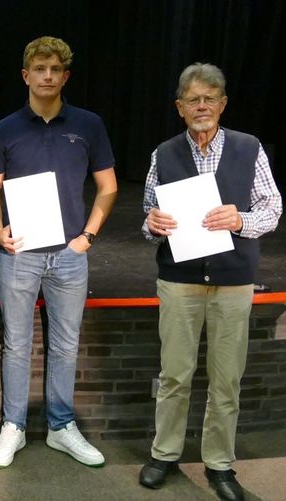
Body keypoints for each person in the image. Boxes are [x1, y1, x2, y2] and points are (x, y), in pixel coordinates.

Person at [138, 63, 281, 501]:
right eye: (193, 99)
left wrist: (241, 218)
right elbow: (148, 211)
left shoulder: (249, 148)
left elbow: (271, 209)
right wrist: (153, 222)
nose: (202, 106)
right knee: (174, 375)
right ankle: (164, 454)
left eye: (210, 98)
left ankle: (220, 465)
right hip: (179, 280)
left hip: (234, 281)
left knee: (226, 379)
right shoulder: (163, 153)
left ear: (222, 104)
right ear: (180, 108)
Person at [0, 36, 118, 469]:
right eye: (39, 69)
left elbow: (109, 186)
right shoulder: (4, 129)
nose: (46, 76)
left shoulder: (89, 124)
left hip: (69, 253)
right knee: (16, 345)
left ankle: (61, 427)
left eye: (55, 69)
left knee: (65, 345)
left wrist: (87, 237)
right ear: (26, 75)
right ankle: (14, 427)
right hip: (19, 252)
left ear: (65, 76)